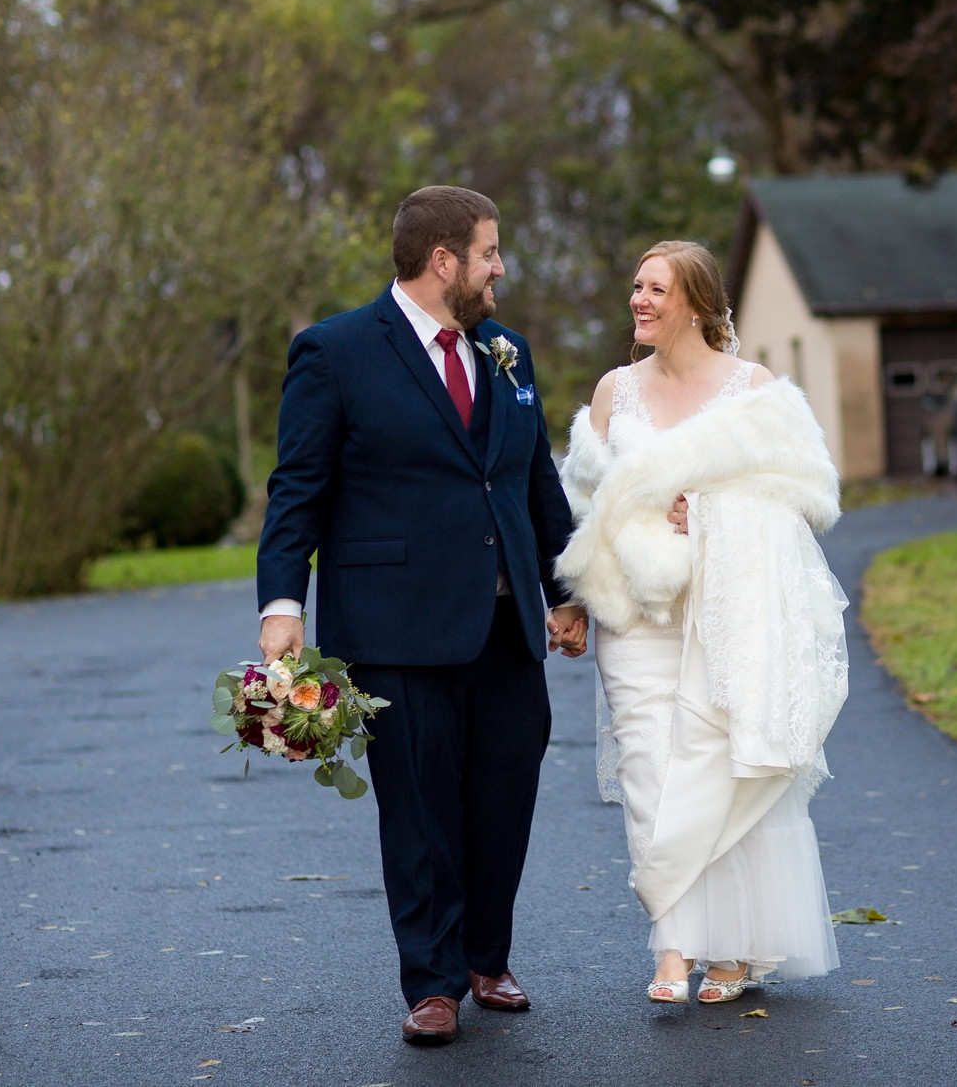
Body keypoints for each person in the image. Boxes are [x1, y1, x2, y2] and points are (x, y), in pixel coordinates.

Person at [255, 186, 589, 1046]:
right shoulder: (333, 353)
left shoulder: (506, 350)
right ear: (444, 261)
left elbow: (533, 483)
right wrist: (283, 605)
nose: (499, 267)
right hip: (396, 625)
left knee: (504, 796)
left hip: (506, 624)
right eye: (489, 252)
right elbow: (298, 488)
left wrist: (568, 587)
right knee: (418, 809)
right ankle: (433, 980)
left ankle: (488, 956)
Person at [555, 240, 847, 1005]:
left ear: (695, 302)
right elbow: (587, 507)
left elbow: (810, 497)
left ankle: (734, 945)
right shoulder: (614, 392)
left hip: (728, 614)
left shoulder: (754, 391)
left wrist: (712, 513)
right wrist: (577, 598)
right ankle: (674, 945)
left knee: (716, 773)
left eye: (656, 289)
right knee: (652, 769)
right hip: (637, 614)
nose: (638, 300)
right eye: (636, 286)